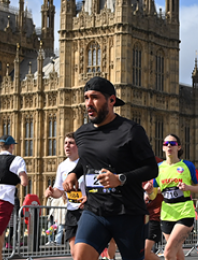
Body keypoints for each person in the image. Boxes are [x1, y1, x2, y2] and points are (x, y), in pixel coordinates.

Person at [61, 76, 158, 260]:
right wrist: (74, 174)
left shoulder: (131, 130)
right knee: (80, 256)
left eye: (95, 97)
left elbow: (151, 169)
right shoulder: (82, 133)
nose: (89, 103)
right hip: (94, 211)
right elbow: (88, 160)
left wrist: (120, 179)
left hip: (127, 212)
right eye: (86, 98)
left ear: (111, 100)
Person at [149, 134, 198, 260]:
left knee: (168, 253)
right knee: (178, 254)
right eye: (166, 144)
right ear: (163, 148)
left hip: (185, 212)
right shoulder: (158, 168)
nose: (169, 146)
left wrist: (188, 187)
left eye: (172, 144)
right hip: (167, 213)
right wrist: (150, 190)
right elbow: (154, 194)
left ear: (179, 147)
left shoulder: (188, 166)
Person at [44, 132, 79, 248]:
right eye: (65, 143)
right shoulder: (62, 166)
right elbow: (58, 190)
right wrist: (51, 192)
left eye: (70, 143)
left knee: (85, 248)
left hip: (87, 210)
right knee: (74, 250)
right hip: (71, 211)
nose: (67, 146)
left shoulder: (86, 163)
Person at [143, 181, 164, 260]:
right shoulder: (140, 180)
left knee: (145, 252)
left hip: (153, 220)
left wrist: (151, 190)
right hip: (141, 221)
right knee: (140, 253)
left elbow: (165, 188)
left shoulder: (157, 179)